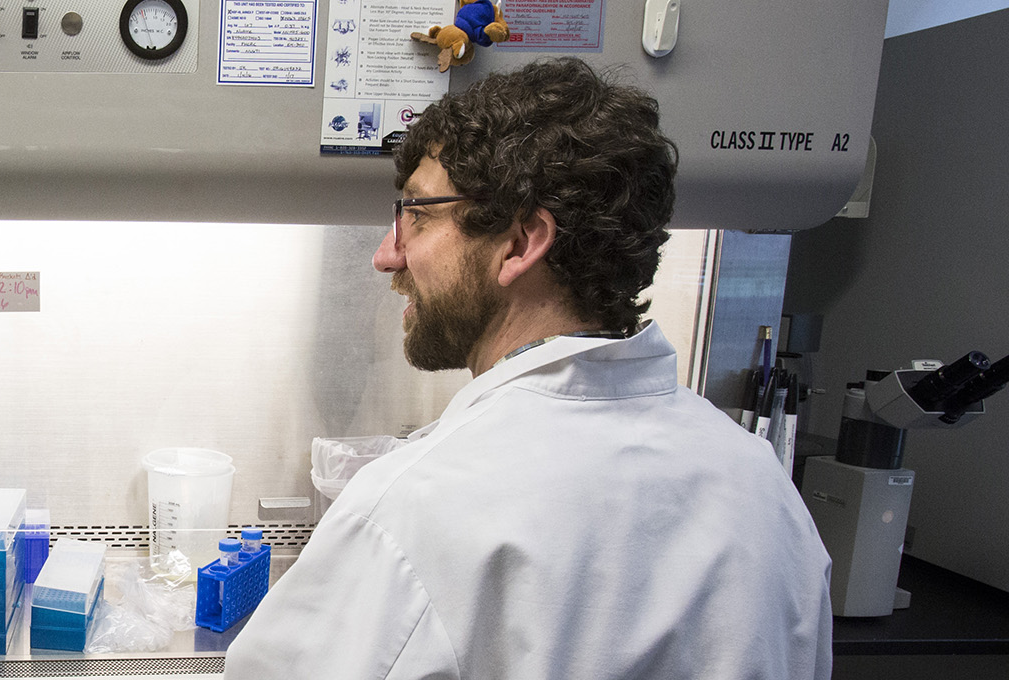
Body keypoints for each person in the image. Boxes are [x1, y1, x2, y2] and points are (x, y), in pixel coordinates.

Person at [225, 58, 832, 679]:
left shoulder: (414, 512)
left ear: (520, 243)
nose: (388, 256)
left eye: (421, 215)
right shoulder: (764, 488)